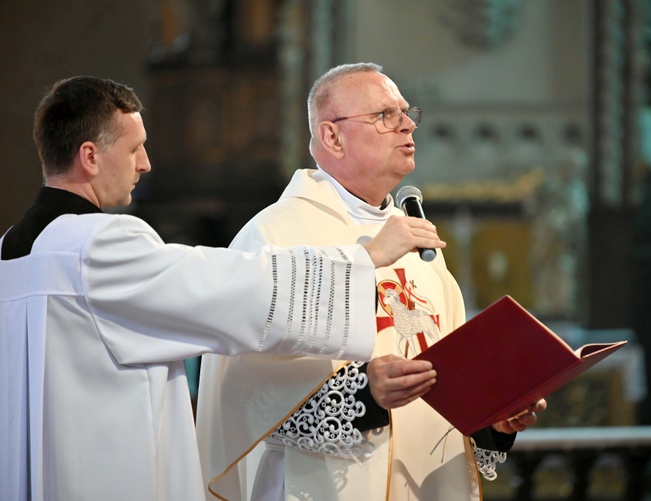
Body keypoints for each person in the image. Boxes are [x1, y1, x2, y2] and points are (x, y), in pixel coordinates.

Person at [0, 75, 446, 501]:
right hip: (103, 473)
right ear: (91, 157)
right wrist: (362, 260)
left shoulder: (14, 249)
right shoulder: (99, 247)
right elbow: (235, 288)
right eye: (135, 148)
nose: (145, 163)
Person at [197, 62, 547, 501]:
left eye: (407, 113)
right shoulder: (273, 236)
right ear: (331, 136)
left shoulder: (417, 240)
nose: (407, 126)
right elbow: (243, 396)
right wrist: (365, 394)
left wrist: (492, 417)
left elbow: (449, 373)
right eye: (385, 115)